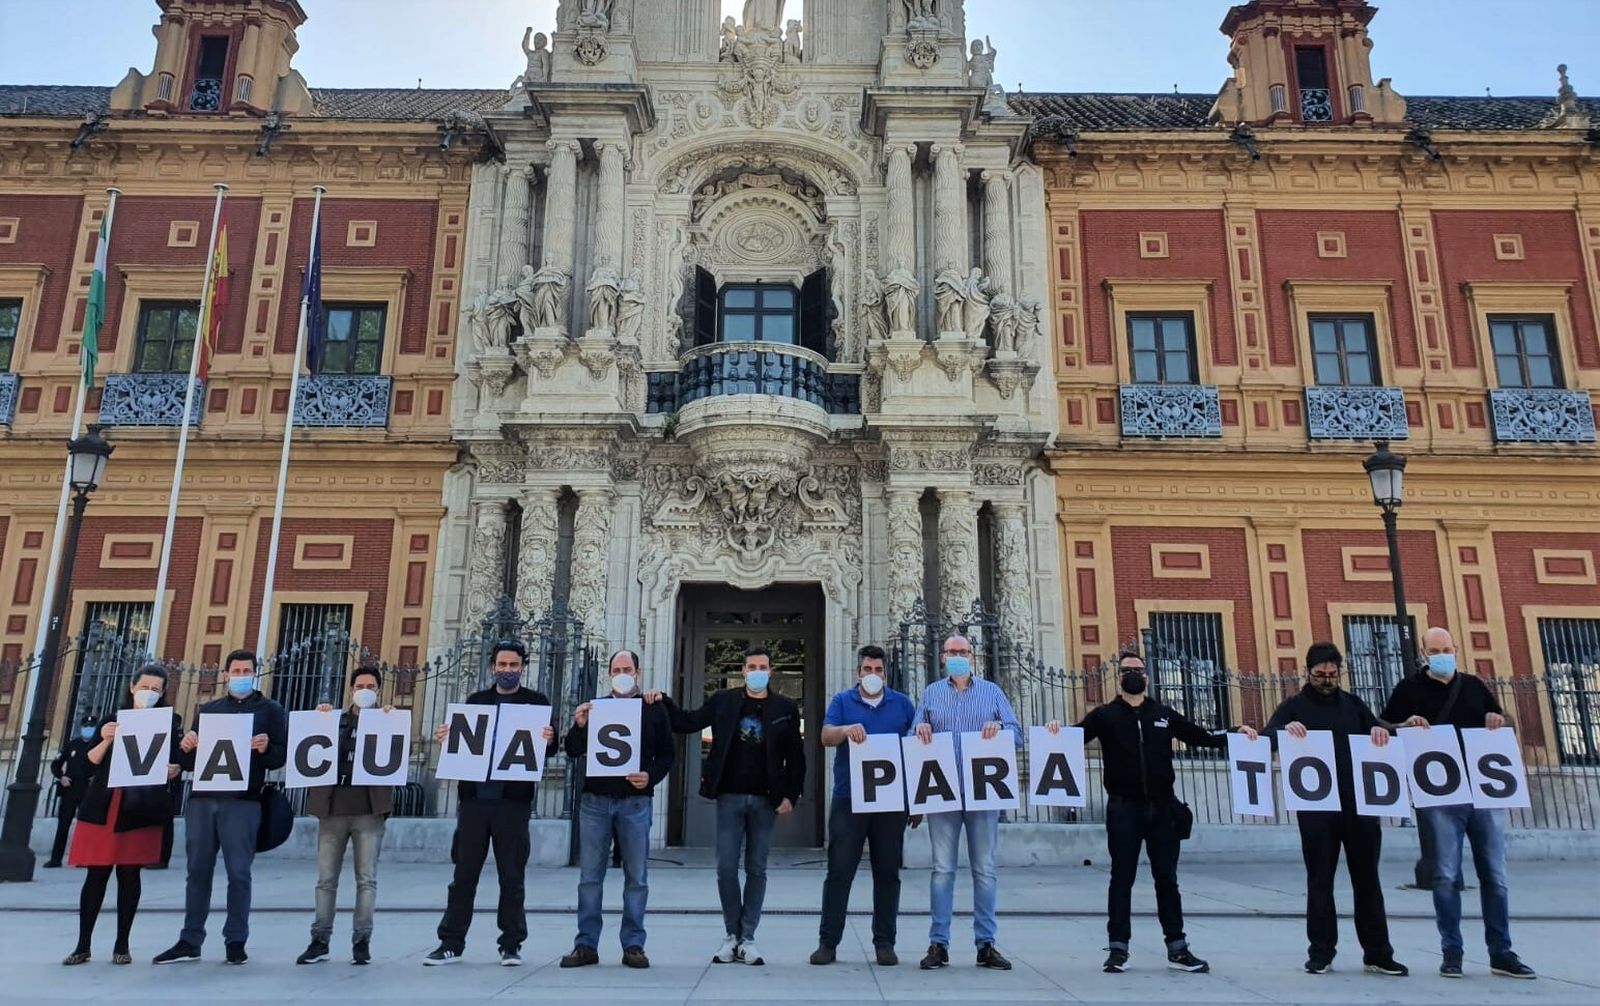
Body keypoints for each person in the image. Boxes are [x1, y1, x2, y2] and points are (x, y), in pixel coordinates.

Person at [1069, 647, 1255, 975]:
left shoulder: (1164, 714)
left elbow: (1201, 737)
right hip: (1123, 810)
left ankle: (1178, 948)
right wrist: (1055, 730)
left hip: (1162, 809)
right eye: (1128, 670)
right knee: (1121, 879)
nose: (1134, 675)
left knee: (1166, 880)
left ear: (1148, 677)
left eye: (1138, 670)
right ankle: (1118, 949)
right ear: (1119, 678)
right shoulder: (1105, 716)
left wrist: (1236, 732)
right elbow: (1071, 740)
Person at [1380, 626, 1536, 980]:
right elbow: (1382, 726)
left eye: (1447, 649)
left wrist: (1499, 720)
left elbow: (1506, 720)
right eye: (1435, 650)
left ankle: (1502, 951)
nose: (1442, 655)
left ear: (1456, 649)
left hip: (1484, 792)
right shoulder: (1408, 689)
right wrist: (1404, 724)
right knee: (1446, 876)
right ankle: (1452, 951)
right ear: (1423, 654)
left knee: (1495, 876)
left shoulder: (1474, 686)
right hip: (1441, 797)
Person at [646, 645, 805, 967]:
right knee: (725, 868)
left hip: (766, 800)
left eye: (762, 666)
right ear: (743, 671)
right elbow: (687, 722)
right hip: (729, 797)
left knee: (757, 869)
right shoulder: (724, 701)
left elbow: (797, 758)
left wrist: (792, 795)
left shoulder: (786, 708)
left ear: (770, 671)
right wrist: (662, 699)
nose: (757, 671)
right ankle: (732, 934)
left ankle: (748, 937)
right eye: (751, 667)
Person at [1261, 642, 1408, 976]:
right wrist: (1285, 731)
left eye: (1332, 674)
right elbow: (1267, 736)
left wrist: (1381, 730)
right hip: (1317, 811)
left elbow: (1380, 729)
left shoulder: (1353, 704)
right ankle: (1321, 952)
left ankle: (1377, 952)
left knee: (1368, 880)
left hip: (1360, 806)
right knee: (1320, 880)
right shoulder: (1293, 706)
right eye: (1320, 674)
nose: (1327, 680)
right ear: (1308, 672)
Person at [424, 640, 556, 966]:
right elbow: (462, 744)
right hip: (474, 802)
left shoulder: (536, 703)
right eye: (502, 665)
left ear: (522, 667)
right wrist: (447, 738)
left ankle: (511, 944)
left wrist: (550, 740)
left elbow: (547, 752)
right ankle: (451, 943)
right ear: (492, 667)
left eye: (513, 665)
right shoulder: (476, 702)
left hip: (512, 804)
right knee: (463, 875)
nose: (507, 670)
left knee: (512, 877)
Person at [154, 649, 286, 965]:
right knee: (197, 872)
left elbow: (280, 757)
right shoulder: (209, 710)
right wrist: (185, 747)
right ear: (226, 674)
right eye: (236, 671)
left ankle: (236, 940)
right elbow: (188, 761)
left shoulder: (271, 710)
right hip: (202, 799)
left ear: (255, 674)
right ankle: (190, 938)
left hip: (243, 801)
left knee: (239, 873)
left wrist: (267, 747)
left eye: (246, 671)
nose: (241, 676)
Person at [559, 650, 675, 970]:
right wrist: (580, 725)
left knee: (636, 876)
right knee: (590, 876)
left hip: (635, 803)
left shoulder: (653, 710)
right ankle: (586, 945)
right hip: (595, 802)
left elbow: (667, 754)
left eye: (627, 669)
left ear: (637, 673)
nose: (621, 673)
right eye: (616, 669)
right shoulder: (597, 707)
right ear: (609, 674)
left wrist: (650, 776)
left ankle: (634, 945)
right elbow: (572, 750)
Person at [910, 634, 1021, 972]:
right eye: (951, 651)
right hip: (942, 793)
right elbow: (914, 732)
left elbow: (1017, 735)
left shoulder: (992, 692)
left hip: (982, 793)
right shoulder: (931, 693)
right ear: (942, 657)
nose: (957, 656)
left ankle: (986, 944)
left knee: (985, 870)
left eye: (963, 651)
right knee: (942, 870)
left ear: (972, 656)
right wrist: (921, 729)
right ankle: (938, 943)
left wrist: (999, 726)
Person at [62, 664, 181, 965]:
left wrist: (174, 770)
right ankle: (82, 945)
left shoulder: (169, 724)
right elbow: (85, 767)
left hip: (140, 807)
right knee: (96, 875)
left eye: (155, 690)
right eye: (145, 687)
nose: (149, 693)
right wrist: (105, 739)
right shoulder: (112, 720)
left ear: (164, 693)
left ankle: (122, 945)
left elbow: (177, 764)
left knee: (130, 875)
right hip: (104, 805)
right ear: (132, 687)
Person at [811, 644, 915, 967]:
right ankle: (828, 943)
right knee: (839, 872)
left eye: (878, 670)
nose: (873, 675)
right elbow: (825, 736)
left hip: (890, 802)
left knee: (888, 873)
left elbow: (915, 752)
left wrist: (916, 801)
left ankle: (885, 942)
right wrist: (845, 730)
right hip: (849, 800)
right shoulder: (843, 701)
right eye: (867, 670)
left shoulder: (903, 705)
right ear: (858, 673)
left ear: (886, 673)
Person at [295, 666, 395, 966]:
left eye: (371, 685)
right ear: (351, 689)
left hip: (369, 811)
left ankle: (361, 941)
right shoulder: (331, 721)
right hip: (332, 809)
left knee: (367, 880)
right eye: (360, 684)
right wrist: (319, 717)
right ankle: (319, 939)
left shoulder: (387, 721)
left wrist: (391, 718)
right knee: (326, 880)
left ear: (379, 691)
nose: (365, 689)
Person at [46, 716, 97, 868]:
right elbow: (56, 764)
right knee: (63, 825)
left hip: (87, 789)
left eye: (91, 726)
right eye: (86, 725)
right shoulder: (72, 744)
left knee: (86, 826)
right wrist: (61, 777)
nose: (88, 728)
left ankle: (83, 858)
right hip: (70, 788)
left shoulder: (97, 746)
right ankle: (56, 859)